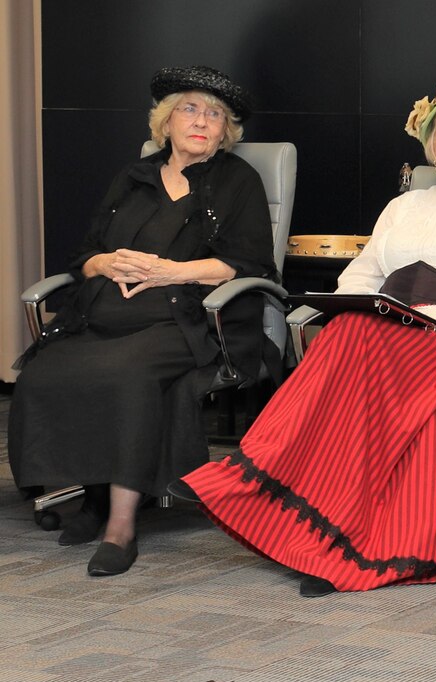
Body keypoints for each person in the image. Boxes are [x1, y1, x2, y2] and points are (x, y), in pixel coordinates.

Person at [176, 80, 436, 597]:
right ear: (431, 145)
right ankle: (328, 531)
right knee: (347, 329)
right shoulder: (405, 206)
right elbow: (364, 273)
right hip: (391, 326)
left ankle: (256, 481)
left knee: (354, 346)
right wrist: (355, 303)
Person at [8, 66, 276, 576]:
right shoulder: (132, 177)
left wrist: (171, 271)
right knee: (50, 369)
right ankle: (94, 495)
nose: (202, 121)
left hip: (189, 316)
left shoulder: (237, 180)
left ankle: (120, 524)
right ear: (166, 122)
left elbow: (250, 262)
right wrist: (103, 264)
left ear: (227, 131)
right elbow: (85, 254)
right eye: (190, 109)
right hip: (107, 309)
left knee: (128, 375)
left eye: (214, 114)